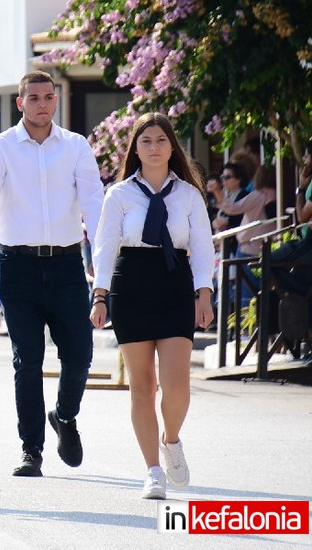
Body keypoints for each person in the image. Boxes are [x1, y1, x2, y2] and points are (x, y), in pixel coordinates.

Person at [0, 70, 104, 478]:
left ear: (56, 101)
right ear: (20, 103)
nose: (42, 104)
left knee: (79, 354)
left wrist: (101, 260)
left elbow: (94, 203)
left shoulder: (76, 147)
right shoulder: (0, 148)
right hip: (16, 265)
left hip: (66, 265)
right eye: (34, 98)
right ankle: (31, 450)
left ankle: (64, 415)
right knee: (27, 361)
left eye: (48, 97)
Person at [88, 112, 215, 500]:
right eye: (146, 141)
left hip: (174, 282)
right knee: (143, 386)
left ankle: (171, 440)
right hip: (132, 284)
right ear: (136, 148)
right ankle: (153, 471)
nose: (155, 147)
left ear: (172, 146)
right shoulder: (120, 194)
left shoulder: (188, 195)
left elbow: (204, 247)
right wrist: (100, 295)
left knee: (177, 386)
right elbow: (105, 246)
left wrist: (204, 292)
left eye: (161, 140)